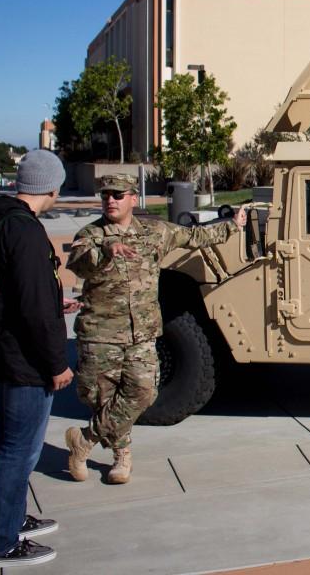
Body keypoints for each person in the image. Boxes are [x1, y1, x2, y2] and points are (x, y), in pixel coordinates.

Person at [65, 173, 246, 484]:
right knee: (101, 396)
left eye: (118, 195)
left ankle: (85, 438)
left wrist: (233, 225)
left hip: (142, 331)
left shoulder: (155, 231)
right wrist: (108, 251)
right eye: (106, 194)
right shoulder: (91, 235)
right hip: (101, 333)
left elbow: (195, 238)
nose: (111, 200)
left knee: (144, 392)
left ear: (133, 199)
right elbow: (79, 265)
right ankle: (123, 456)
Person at [0, 149, 80, 568]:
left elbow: (23, 295)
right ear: (51, 186)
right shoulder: (26, 231)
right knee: (20, 449)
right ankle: (1, 543)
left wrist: (58, 303)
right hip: (26, 360)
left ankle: (11, 520)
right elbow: (33, 307)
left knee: (13, 445)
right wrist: (57, 364)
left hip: (5, 349)